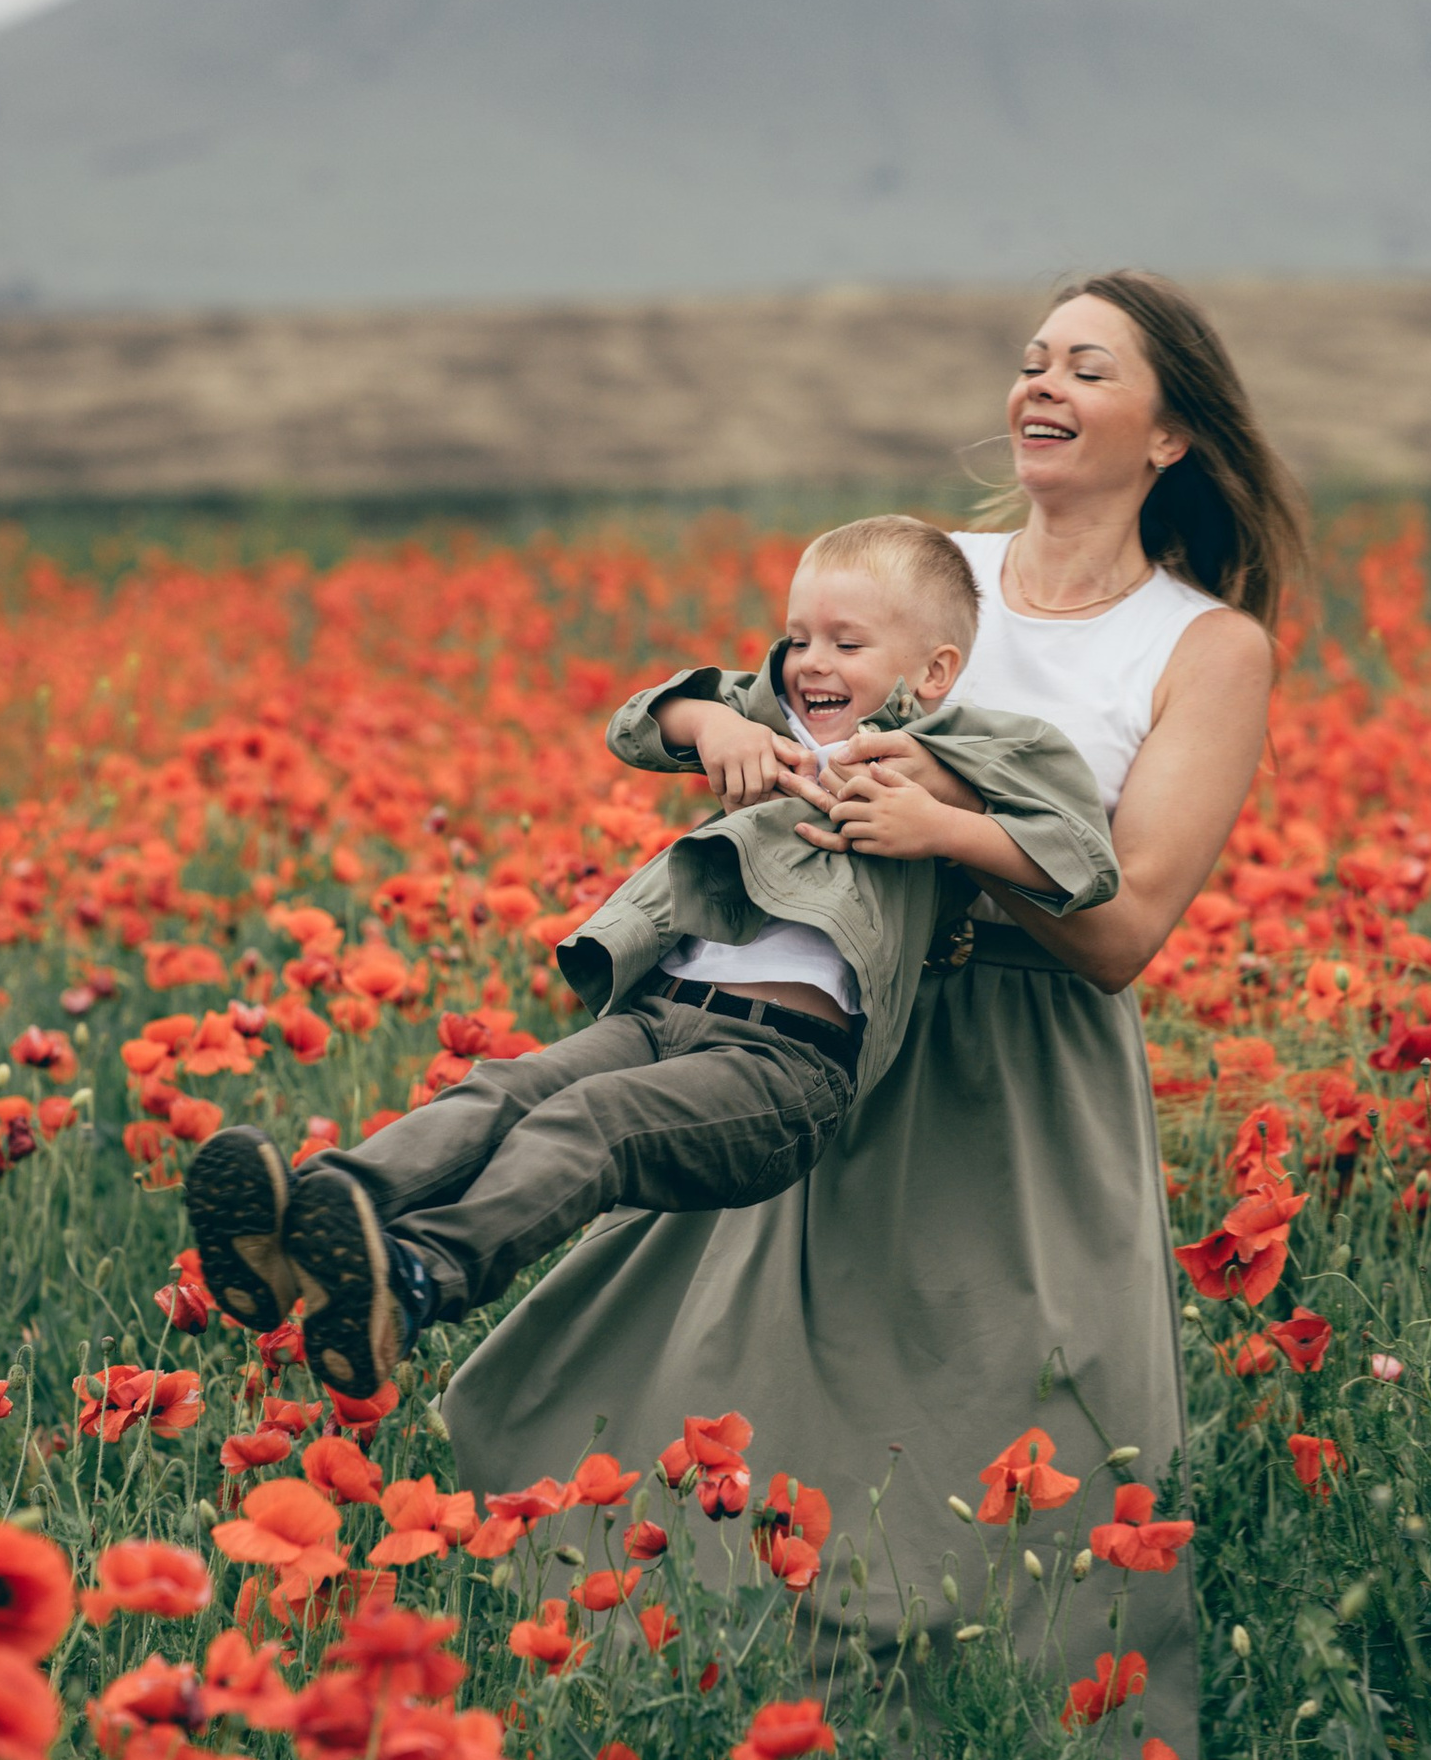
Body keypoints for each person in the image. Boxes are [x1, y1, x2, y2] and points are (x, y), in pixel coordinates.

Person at [444, 268, 1298, 1760]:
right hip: (829, 1039)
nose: (1041, 387)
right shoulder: (929, 578)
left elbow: (1126, 929)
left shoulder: (1203, 645)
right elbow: (761, 712)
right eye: (1033, 361)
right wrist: (718, 731)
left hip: (1018, 1087)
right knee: (730, 1396)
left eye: (1088, 370)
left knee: (1018, 1429)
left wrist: (951, 837)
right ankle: (738, 1749)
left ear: (1170, 435)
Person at [185, 514, 1115, 1395]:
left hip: (784, 1067)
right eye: (799, 637)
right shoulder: (774, 720)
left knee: (591, 1124)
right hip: (662, 1014)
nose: (811, 662)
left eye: (847, 642)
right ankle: (307, 1224)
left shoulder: (976, 748)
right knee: (503, 1089)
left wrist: (946, 827)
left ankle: (419, 1277)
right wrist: (714, 726)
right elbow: (641, 720)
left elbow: (1081, 854)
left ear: (936, 668)